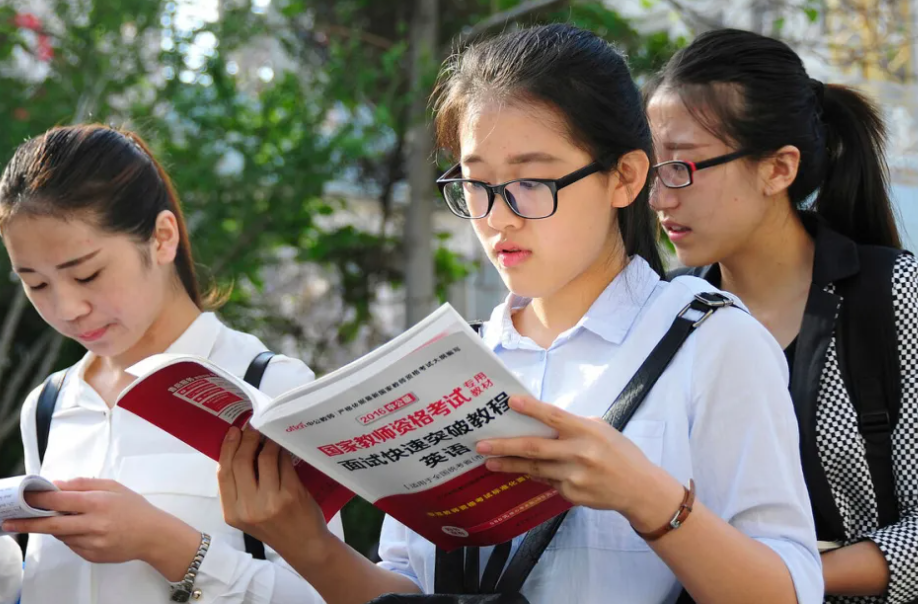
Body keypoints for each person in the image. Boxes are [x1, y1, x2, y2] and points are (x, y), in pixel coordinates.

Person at [214, 24, 822, 604]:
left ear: (625, 177)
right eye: (476, 185)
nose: (498, 217)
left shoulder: (711, 340)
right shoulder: (450, 365)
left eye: (531, 182)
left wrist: (648, 498)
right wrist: (304, 542)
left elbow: (790, 592)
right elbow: (411, 590)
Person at [0, 124, 344, 604]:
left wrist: (169, 547)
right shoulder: (48, 406)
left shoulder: (265, 386)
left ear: (163, 238)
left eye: (87, 274)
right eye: (35, 284)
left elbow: (332, 592)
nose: (66, 308)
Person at [645, 28, 918, 604]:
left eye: (684, 167)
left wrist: (785, 582)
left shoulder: (894, 295)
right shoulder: (665, 315)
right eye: (653, 168)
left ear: (778, 169)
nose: (661, 197)